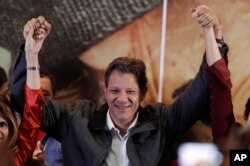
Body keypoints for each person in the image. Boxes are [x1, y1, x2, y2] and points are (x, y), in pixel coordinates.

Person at [13, 5, 232, 165]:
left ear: (142, 93)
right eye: (115, 91)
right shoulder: (75, 119)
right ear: (105, 91)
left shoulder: (162, 122)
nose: (122, 99)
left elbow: (203, 90)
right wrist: (31, 55)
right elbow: (26, 104)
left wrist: (214, 40)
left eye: (130, 92)